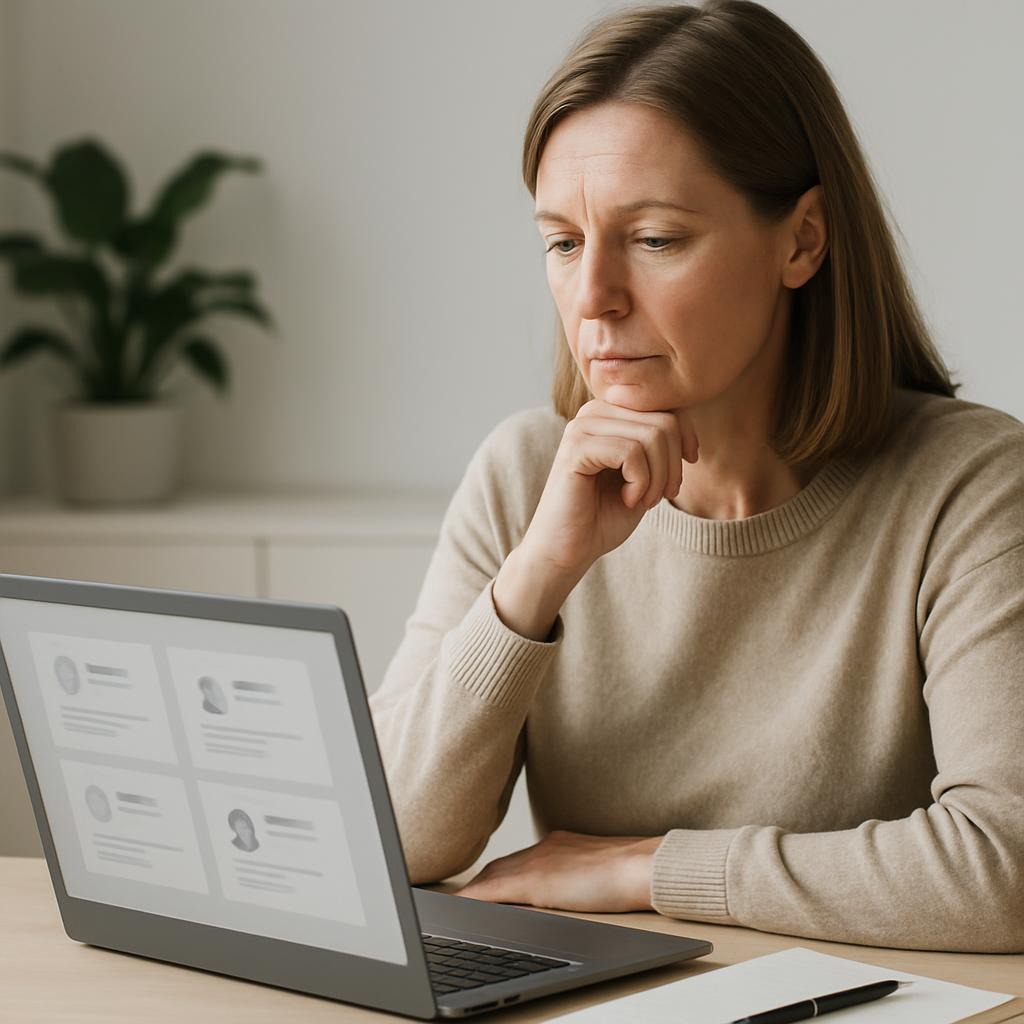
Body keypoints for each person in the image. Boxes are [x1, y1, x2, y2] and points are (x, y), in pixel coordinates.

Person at [368, 0, 1024, 954]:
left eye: (656, 238)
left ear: (803, 240)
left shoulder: (970, 487)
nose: (592, 298)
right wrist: (539, 575)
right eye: (561, 242)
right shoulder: (523, 476)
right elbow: (388, 839)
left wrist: (644, 868)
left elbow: (1003, 868)